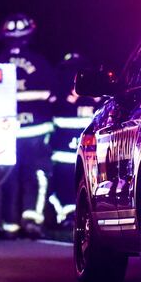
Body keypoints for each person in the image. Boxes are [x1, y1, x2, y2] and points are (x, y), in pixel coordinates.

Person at [0, 13, 56, 238]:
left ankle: (8, 224)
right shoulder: (40, 63)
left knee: (7, 177)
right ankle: (31, 220)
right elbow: (51, 95)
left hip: (4, 133)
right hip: (37, 131)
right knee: (37, 175)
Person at [47, 52, 100, 227]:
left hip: (66, 151)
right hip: (83, 153)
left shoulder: (59, 90)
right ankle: (72, 216)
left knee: (66, 184)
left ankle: (69, 217)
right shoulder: (95, 91)